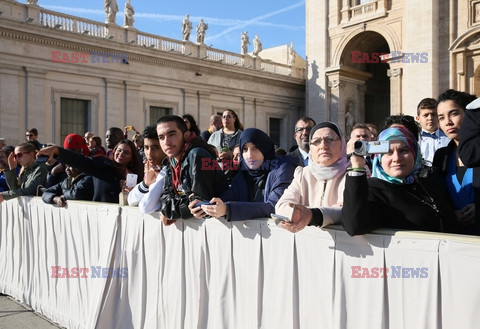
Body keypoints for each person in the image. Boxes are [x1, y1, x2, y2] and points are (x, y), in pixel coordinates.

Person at [342, 126, 457, 236]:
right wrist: (357, 166)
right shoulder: (373, 189)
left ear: (415, 153)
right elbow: (355, 226)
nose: (397, 158)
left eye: (404, 150)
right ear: (379, 158)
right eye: (388, 152)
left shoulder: (427, 181)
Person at [190, 128, 296, 221]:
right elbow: (228, 197)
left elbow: (273, 207)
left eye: (255, 148)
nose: (250, 155)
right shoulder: (244, 173)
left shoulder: (283, 169)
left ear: (265, 148)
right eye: (245, 149)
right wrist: (206, 207)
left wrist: (228, 209)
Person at [276, 122, 350, 233]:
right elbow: (281, 206)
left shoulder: (353, 173)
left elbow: (347, 211)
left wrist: (311, 215)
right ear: (310, 147)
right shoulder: (303, 174)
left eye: (329, 139)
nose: (323, 146)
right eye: (316, 141)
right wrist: (297, 213)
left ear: (342, 144)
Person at [156, 115, 228, 225]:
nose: (167, 142)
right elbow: (165, 200)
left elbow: (199, 205)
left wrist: (172, 209)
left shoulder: (198, 155)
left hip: (218, 226)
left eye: (172, 134)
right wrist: (183, 202)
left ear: (186, 135)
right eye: (161, 137)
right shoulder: (170, 160)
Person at [37, 140, 142, 204]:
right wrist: (57, 151)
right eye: (119, 150)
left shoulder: (137, 176)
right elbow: (81, 161)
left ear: (132, 158)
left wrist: (132, 192)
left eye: (126, 152)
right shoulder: (103, 165)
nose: (121, 154)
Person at [433, 89, 478, 234]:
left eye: (454, 113)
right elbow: (439, 195)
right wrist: (452, 213)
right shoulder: (441, 156)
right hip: (456, 235)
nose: (448, 122)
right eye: (441, 117)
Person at [128, 124, 167, 214]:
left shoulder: (167, 171)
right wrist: (146, 184)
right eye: (146, 147)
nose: (149, 153)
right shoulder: (154, 171)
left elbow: (146, 206)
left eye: (155, 148)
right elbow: (131, 200)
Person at [416, 98, 450, 166]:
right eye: (426, 115)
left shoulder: (449, 138)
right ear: (418, 119)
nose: (430, 118)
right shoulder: (414, 139)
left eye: (434, 114)